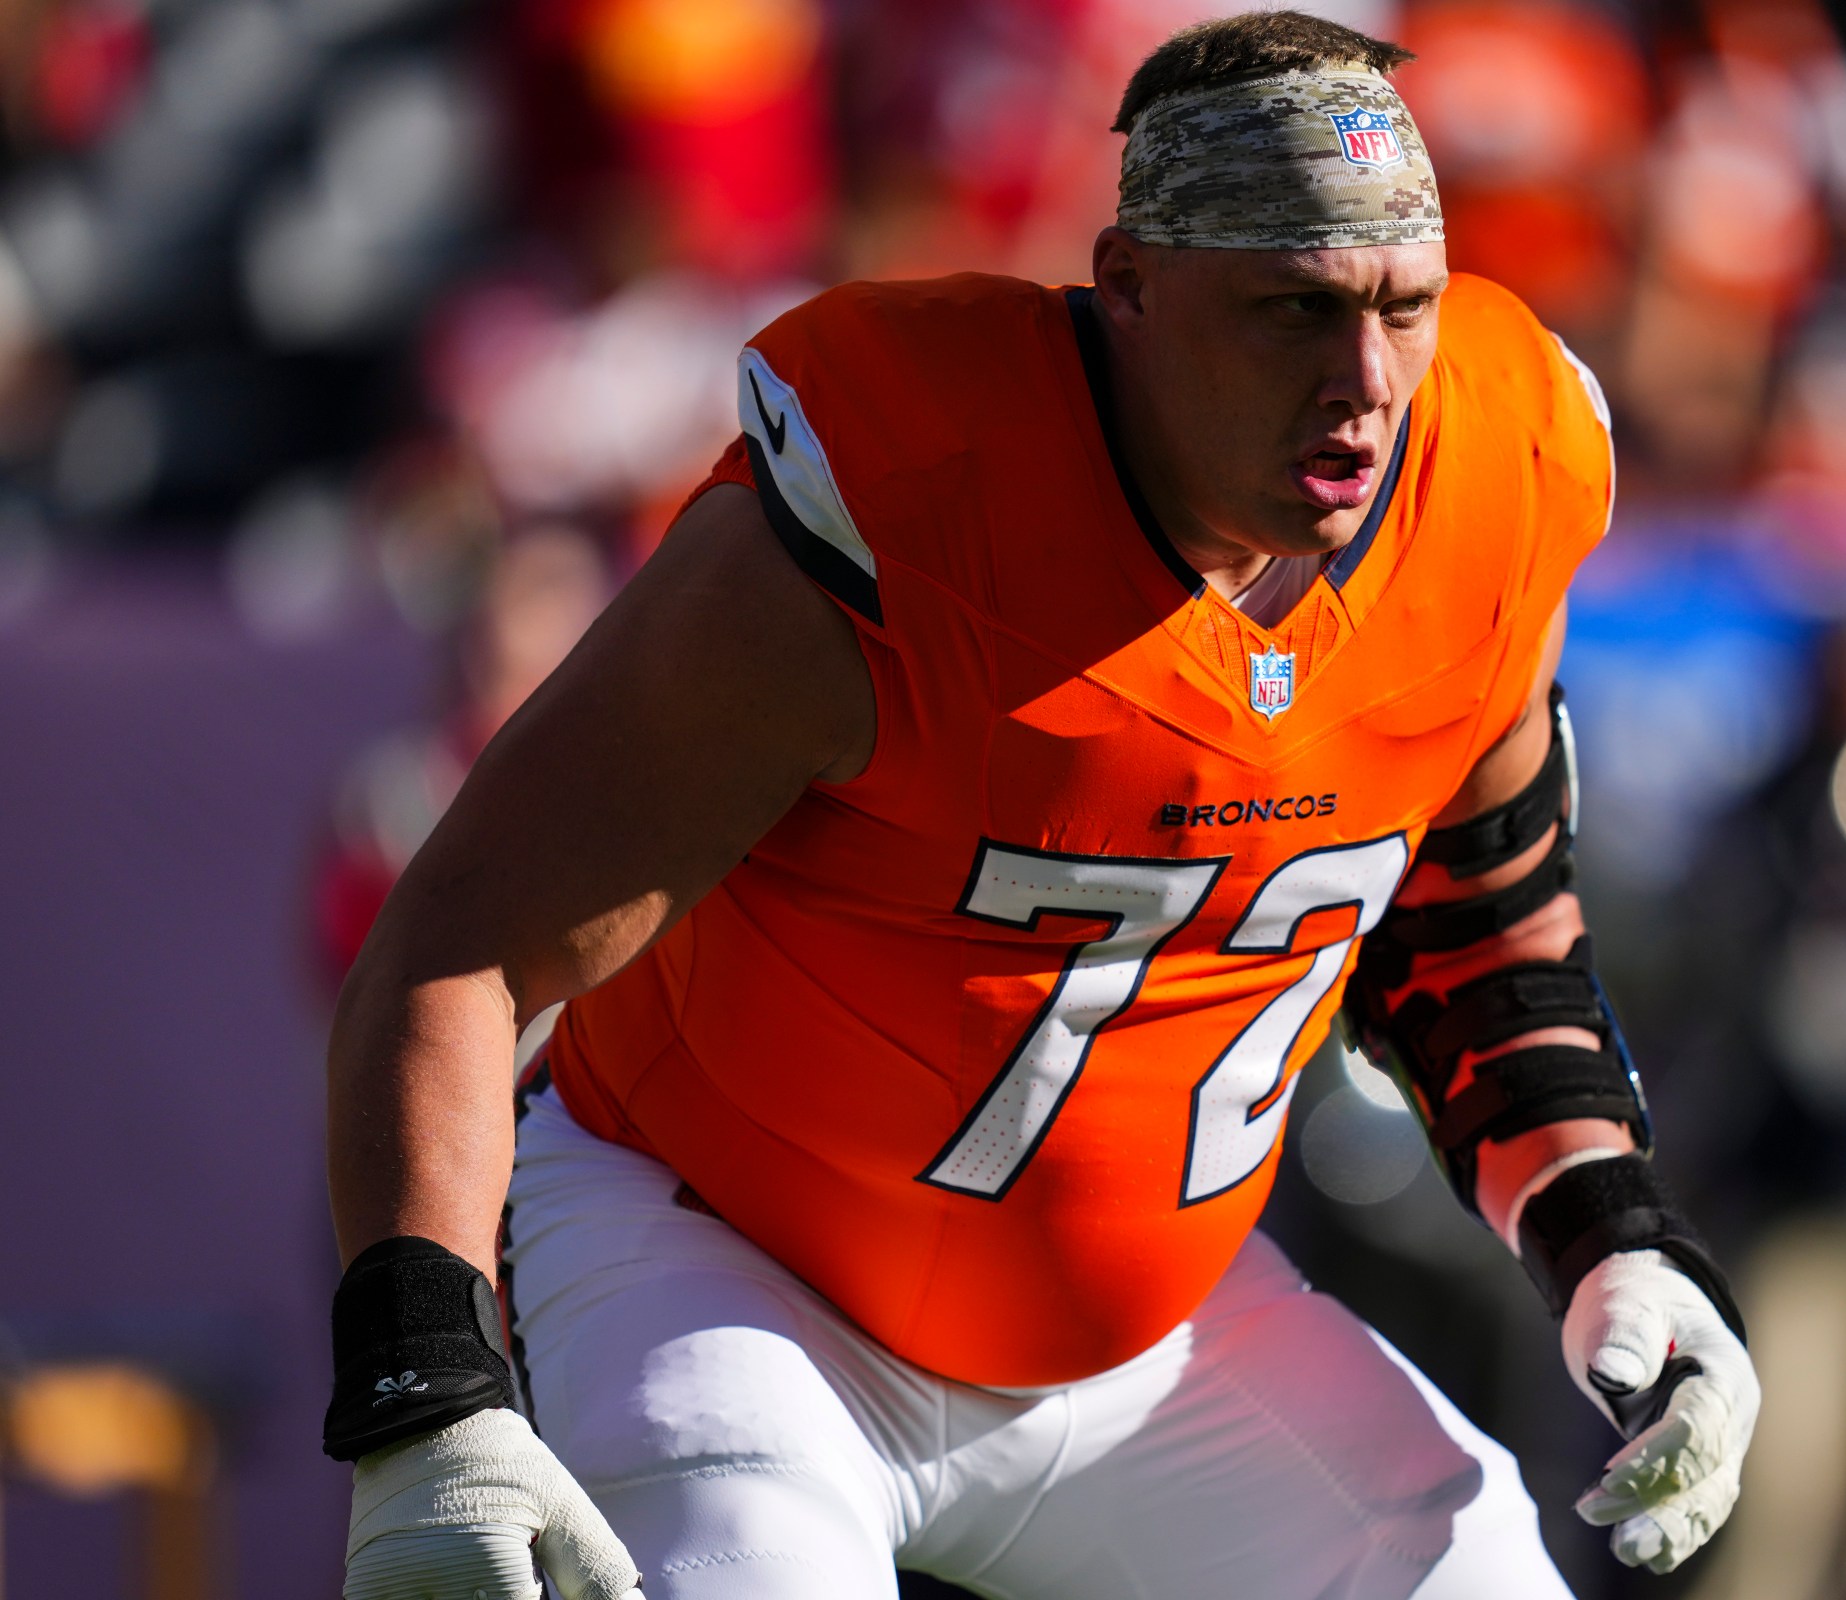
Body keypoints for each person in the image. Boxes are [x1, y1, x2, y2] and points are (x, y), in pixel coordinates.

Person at [322, 15, 1759, 1599]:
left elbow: (1468, 912)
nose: (1365, 384)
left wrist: (1611, 1224)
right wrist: (426, 1401)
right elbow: (457, 952)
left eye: (1402, 309)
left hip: (1155, 1346)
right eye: (1293, 310)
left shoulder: (1496, 467)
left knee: (1480, 1573)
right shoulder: (905, 504)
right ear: (1127, 288)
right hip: (732, 1267)